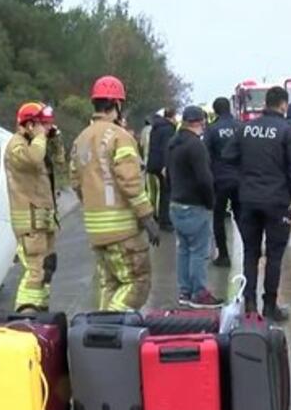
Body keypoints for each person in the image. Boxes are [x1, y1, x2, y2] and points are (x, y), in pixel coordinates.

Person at [70, 75, 160, 312]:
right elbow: (130, 182)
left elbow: (75, 182)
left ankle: (104, 342)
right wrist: (147, 217)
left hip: (95, 229)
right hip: (123, 230)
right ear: (117, 105)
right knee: (137, 282)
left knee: (109, 285)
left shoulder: (80, 139)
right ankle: (109, 328)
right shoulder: (120, 137)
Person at [223, 86, 291, 322]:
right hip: (277, 200)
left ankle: (249, 304)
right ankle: (270, 306)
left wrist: (243, 177)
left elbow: (228, 156)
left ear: (266, 103)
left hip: (247, 199)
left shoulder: (245, 129)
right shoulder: (287, 131)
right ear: (283, 105)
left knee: (250, 252)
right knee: (275, 256)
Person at [5, 102, 60, 312]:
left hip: (43, 219)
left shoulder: (36, 143)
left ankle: (40, 311)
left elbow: (58, 162)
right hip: (29, 223)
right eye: (43, 124)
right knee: (35, 272)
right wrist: (39, 137)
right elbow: (33, 159)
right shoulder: (16, 146)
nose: (47, 128)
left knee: (47, 268)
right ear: (29, 125)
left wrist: (53, 140)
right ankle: (25, 313)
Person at [167, 105, 223, 308]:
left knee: (183, 250)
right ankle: (199, 293)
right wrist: (210, 202)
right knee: (199, 251)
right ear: (200, 122)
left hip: (176, 204)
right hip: (194, 205)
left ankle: (185, 291)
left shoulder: (173, 143)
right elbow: (204, 179)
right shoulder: (196, 146)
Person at [203, 97, 241, 267]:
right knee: (242, 216)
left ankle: (223, 255)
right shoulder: (240, 127)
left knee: (218, 218)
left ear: (216, 111)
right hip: (240, 178)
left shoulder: (212, 130)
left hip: (219, 180)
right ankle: (250, 248)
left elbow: (206, 156)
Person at [146, 108, 178, 231]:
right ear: (172, 117)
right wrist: (166, 165)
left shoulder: (157, 127)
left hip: (154, 163)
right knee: (166, 192)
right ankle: (165, 220)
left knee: (161, 191)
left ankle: (161, 217)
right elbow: (167, 147)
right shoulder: (168, 129)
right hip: (162, 165)